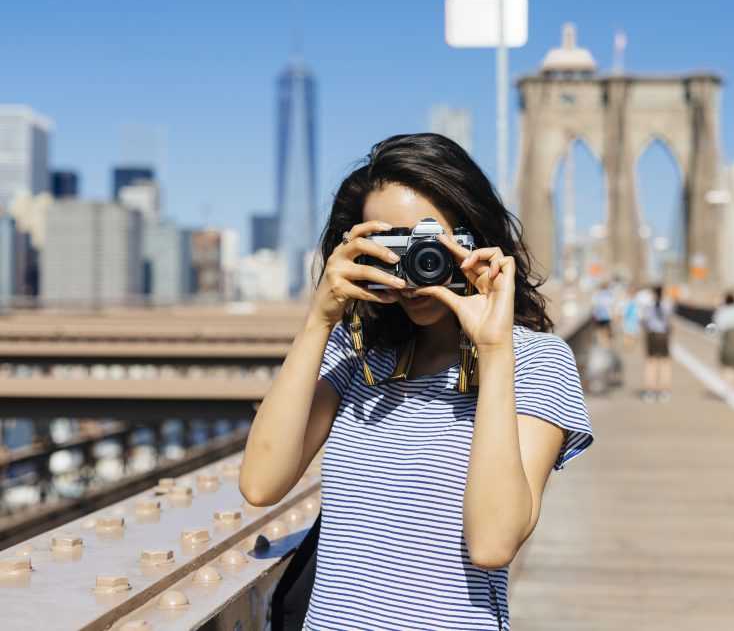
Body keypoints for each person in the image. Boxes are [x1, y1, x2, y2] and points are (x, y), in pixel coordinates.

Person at [240, 133, 594, 630]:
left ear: (472, 239)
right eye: (393, 244)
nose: (414, 266)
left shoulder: (535, 361)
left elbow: (493, 543)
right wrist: (319, 321)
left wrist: (493, 351)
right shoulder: (356, 354)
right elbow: (260, 484)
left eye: (429, 240)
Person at [641, 284, 673, 402]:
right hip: (663, 335)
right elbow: (670, 321)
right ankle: (664, 391)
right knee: (665, 364)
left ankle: (650, 391)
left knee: (650, 363)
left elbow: (644, 321)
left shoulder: (648, 306)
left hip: (652, 335)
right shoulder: (668, 305)